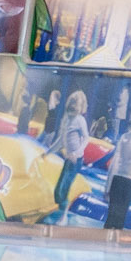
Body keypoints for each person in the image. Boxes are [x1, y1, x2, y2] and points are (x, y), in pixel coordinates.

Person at [50, 88, 89, 216]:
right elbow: (61, 139)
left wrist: (76, 153)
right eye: (71, 104)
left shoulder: (79, 120)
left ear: (80, 108)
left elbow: (86, 138)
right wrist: (49, 151)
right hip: (68, 158)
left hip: (76, 160)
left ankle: (63, 213)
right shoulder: (67, 119)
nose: (72, 107)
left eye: (75, 105)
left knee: (65, 186)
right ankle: (61, 208)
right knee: (58, 190)